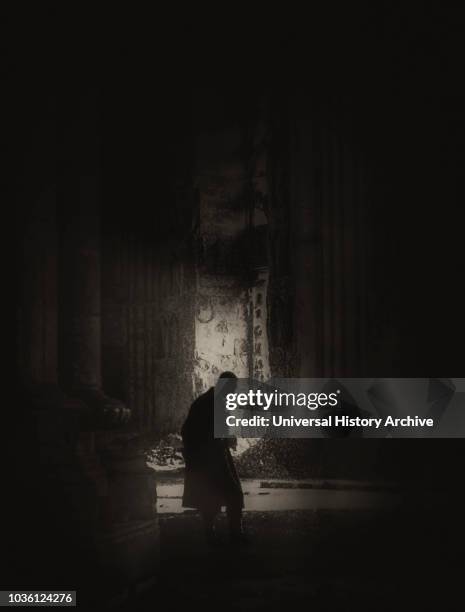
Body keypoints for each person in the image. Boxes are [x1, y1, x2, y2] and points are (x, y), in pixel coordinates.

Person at [181, 372, 245, 545]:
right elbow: (199, 432)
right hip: (210, 457)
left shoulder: (210, 400)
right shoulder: (212, 402)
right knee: (231, 493)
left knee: (211, 497)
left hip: (210, 455)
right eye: (233, 389)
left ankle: (214, 533)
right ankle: (234, 534)